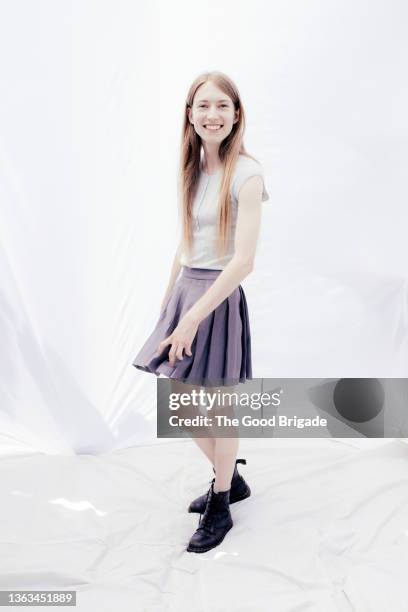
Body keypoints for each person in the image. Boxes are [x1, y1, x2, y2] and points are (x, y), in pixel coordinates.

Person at [132, 70, 269, 553]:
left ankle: (221, 499)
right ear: (189, 115)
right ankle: (229, 479)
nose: (212, 115)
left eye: (221, 106)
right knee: (181, 401)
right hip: (187, 290)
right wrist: (169, 305)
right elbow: (185, 243)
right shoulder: (191, 169)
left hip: (218, 295)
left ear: (236, 115)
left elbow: (244, 261)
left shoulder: (248, 175)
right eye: (203, 106)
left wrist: (194, 316)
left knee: (216, 404)